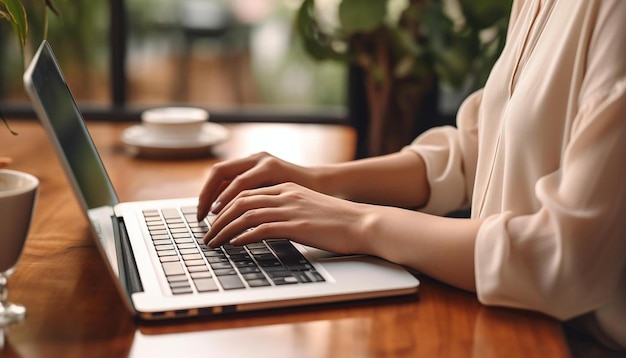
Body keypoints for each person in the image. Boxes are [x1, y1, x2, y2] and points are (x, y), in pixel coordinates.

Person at [197, 0, 626, 350]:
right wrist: (321, 180)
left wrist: (358, 223)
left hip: (569, 342)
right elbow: (477, 150)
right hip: (506, 316)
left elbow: (564, 259)